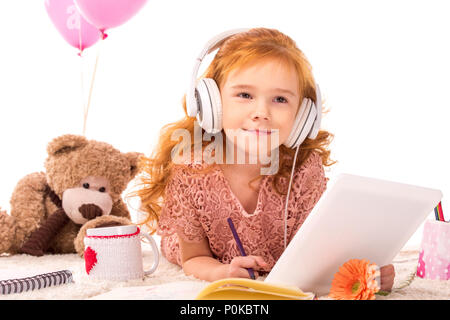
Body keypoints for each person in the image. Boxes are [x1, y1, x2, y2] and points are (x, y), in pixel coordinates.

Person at [133, 28, 395, 291]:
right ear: (211, 103)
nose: (261, 112)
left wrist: (361, 271)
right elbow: (193, 257)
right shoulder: (192, 170)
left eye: (280, 99)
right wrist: (223, 271)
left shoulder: (302, 168)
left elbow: (317, 250)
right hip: (203, 254)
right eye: (245, 95)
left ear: (303, 115)